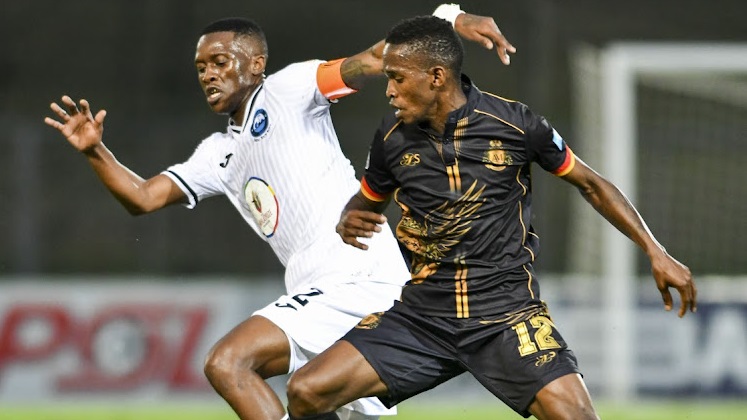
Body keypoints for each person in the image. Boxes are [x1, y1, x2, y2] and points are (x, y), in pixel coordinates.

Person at [43, 6, 516, 420]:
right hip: (315, 284)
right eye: (200, 67)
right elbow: (143, 197)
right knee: (314, 404)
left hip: (355, 273)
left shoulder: (290, 89)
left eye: (220, 61)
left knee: (229, 362)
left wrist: (449, 17)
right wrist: (95, 151)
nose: (208, 74)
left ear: (256, 64)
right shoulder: (216, 153)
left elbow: (376, 58)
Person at [284, 15, 697, 420]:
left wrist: (655, 251)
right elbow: (365, 205)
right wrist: (349, 217)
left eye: (397, 78)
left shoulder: (516, 124)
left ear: (436, 76)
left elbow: (592, 184)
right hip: (423, 318)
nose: (389, 91)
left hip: (507, 317)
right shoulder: (392, 138)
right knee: (306, 392)